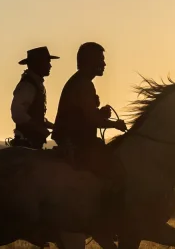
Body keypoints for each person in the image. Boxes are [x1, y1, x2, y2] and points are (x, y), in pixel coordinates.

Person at [52, 42, 127, 173]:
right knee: (116, 170)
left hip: (73, 139)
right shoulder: (84, 85)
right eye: (101, 60)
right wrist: (116, 125)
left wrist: (101, 114)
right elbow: (92, 120)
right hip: (78, 143)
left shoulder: (79, 81)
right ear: (90, 61)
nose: (104, 64)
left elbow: (83, 115)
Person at [9, 46, 58, 149]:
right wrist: (37, 127)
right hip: (27, 144)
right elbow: (18, 114)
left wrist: (52, 126)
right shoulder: (28, 85)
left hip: (31, 143)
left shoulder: (34, 84)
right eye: (47, 62)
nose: (50, 66)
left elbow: (34, 115)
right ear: (38, 64)